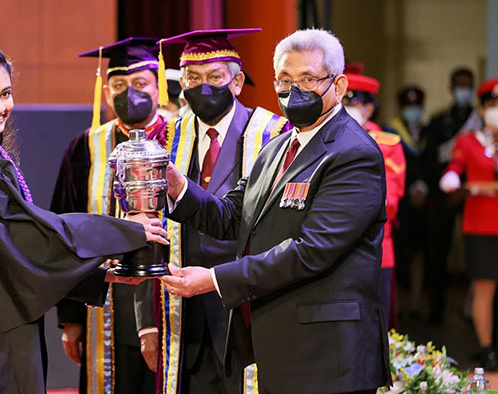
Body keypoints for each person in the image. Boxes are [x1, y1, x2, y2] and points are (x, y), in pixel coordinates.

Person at [0, 42, 167, 394]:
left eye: (6, 93)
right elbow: (21, 241)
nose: (0, 107)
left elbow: (12, 258)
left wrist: (101, 277)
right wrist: (122, 230)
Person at [146, 29, 391, 394]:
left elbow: (311, 251)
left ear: (338, 86)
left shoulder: (352, 153)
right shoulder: (278, 147)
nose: (295, 90)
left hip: (329, 354)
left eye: (309, 79)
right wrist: (179, 187)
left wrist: (214, 279)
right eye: (285, 80)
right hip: (281, 344)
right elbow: (233, 217)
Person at [135, 29, 291, 394]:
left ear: (237, 82)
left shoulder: (274, 134)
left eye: (215, 77)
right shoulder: (165, 137)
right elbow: (148, 226)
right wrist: (147, 322)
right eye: (192, 78)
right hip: (181, 313)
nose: (202, 86)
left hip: (248, 306)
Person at [50, 37, 166, 394]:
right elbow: (63, 230)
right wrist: (70, 318)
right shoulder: (85, 147)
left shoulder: (183, 137)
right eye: (118, 86)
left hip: (169, 298)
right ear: (105, 93)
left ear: (159, 86)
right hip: (104, 299)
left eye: (141, 84)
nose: (129, 93)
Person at [439, 78, 498, 371]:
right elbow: (454, 170)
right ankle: (487, 348)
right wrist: (453, 179)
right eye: (492, 105)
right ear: (483, 108)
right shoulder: (468, 141)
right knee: (484, 287)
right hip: (480, 225)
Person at [343, 72, 406, 328]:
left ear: (368, 108)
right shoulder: (322, 139)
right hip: (326, 246)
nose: (345, 110)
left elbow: (389, 198)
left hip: (374, 242)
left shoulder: (387, 144)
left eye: (351, 104)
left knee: (374, 321)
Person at [424, 67, 475, 324]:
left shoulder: (481, 121)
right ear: (451, 88)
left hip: (472, 195)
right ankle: (436, 312)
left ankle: (474, 311)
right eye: (459, 85)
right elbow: (431, 160)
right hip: (444, 195)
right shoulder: (439, 120)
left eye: (468, 85)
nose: (463, 90)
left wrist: (465, 188)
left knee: (477, 255)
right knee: (438, 253)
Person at [384, 86, 429, 316]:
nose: (414, 110)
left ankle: (416, 300)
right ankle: (398, 302)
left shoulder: (428, 131)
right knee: (400, 252)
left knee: (420, 251)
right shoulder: (390, 132)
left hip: (425, 204)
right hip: (401, 204)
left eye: (417, 106)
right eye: (409, 106)